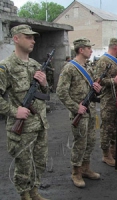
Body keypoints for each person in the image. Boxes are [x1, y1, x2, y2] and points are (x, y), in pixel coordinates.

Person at [0, 24, 49, 200]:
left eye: (33, 37)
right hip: (22, 129)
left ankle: (34, 192)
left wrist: (44, 84)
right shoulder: (6, 67)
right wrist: (14, 111)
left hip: (40, 124)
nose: (33, 40)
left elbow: (46, 95)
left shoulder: (36, 65)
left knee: (40, 162)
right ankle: (24, 196)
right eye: (28, 37)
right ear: (16, 39)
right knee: (23, 166)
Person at [56, 38, 102, 188]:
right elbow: (61, 92)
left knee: (91, 141)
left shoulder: (88, 67)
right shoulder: (69, 68)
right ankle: (76, 172)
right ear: (81, 50)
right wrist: (76, 107)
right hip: (79, 113)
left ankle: (86, 168)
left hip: (91, 110)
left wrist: (97, 89)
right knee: (80, 142)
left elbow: (94, 88)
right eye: (89, 48)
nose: (91, 51)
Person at [96, 38, 117, 167]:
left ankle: (114, 150)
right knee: (107, 128)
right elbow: (97, 80)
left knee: (116, 126)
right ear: (116, 46)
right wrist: (113, 81)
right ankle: (105, 154)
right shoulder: (103, 60)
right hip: (108, 100)